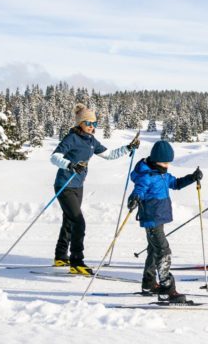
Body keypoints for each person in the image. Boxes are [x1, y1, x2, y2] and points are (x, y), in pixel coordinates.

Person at [49, 103, 140, 275]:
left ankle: (60, 256)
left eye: (95, 124)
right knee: (78, 222)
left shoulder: (91, 141)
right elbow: (54, 157)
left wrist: (128, 148)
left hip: (78, 185)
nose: (92, 127)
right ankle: (76, 262)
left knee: (70, 220)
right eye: (89, 123)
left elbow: (109, 155)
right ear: (80, 123)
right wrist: (70, 165)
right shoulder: (71, 138)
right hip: (64, 185)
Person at [126, 140, 203, 304]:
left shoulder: (161, 174)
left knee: (153, 250)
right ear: (155, 160)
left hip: (158, 217)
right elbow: (138, 189)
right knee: (163, 251)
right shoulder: (147, 175)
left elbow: (175, 183)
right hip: (151, 218)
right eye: (164, 162)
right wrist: (134, 198)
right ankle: (166, 288)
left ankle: (149, 283)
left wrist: (192, 177)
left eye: (169, 162)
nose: (167, 165)